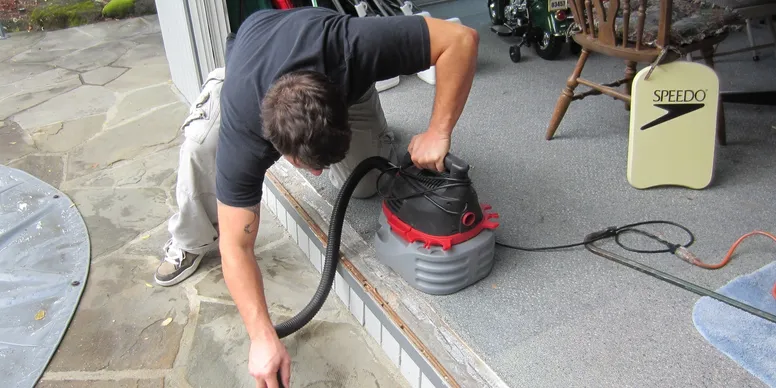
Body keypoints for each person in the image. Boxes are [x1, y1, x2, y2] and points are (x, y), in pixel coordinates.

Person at [154, 6, 479, 388]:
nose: (318, 175)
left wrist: (439, 131)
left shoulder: (355, 48)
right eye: (309, 166)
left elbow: (462, 39)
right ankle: (188, 239)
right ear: (275, 147)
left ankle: (368, 126)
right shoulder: (244, 138)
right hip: (244, 69)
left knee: (365, 185)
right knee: (197, 146)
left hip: (323, 57)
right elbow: (236, 247)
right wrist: (261, 337)